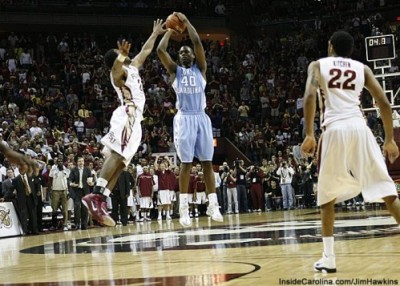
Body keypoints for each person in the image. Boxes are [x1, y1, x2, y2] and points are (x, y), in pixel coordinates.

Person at [301, 30, 400, 273]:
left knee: (326, 197)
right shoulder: (362, 69)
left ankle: (329, 257)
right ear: (352, 50)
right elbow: (384, 103)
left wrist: (309, 134)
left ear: (330, 46)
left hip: (334, 129)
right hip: (360, 128)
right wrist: (389, 139)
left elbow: (309, 96)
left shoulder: (317, 65)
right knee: (388, 191)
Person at [81, 19, 165, 227]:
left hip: (136, 119)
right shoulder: (117, 73)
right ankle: (95, 195)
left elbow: (145, 51)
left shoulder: (133, 66)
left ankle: (101, 199)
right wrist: (120, 57)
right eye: (119, 54)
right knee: (117, 155)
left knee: (122, 163)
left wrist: (155, 33)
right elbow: (116, 70)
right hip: (127, 113)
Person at [157, 12, 223, 227]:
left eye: (187, 52)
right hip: (184, 118)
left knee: (207, 163)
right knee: (186, 163)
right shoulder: (175, 71)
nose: (185, 53)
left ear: (193, 57)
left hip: (202, 117)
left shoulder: (200, 69)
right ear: (179, 58)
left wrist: (187, 22)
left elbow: (196, 41)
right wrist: (169, 30)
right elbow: (160, 50)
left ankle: (213, 204)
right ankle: (183, 207)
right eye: (181, 52)